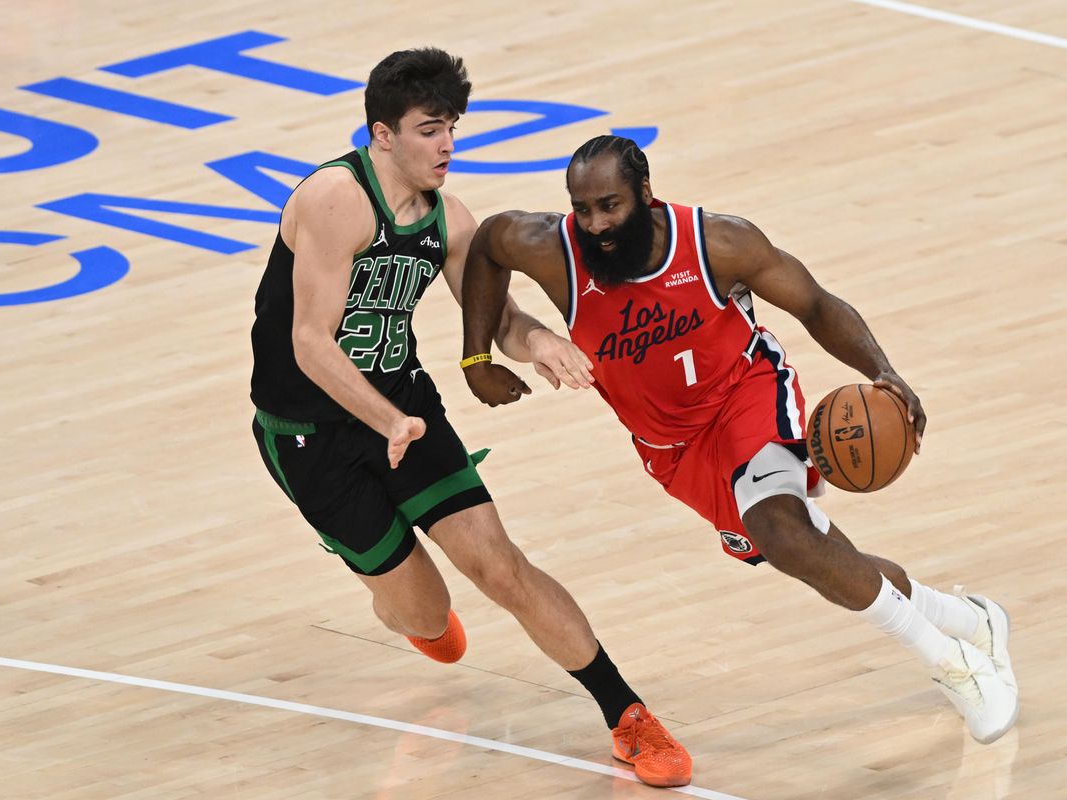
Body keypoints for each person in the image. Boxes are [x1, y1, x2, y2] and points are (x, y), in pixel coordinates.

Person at [460, 134, 1020, 747]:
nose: (595, 224)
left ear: (646, 194)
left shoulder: (717, 243)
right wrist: (475, 356)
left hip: (744, 394)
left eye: (611, 206)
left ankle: (954, 665)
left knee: (780, 530)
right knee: (806, 550)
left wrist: (883, 373)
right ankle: (971, 620)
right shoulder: (552, 248)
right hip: (671, 449)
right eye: (582, 208)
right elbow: (488, 243)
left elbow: (815, 304)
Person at [249, 54, 690, 788]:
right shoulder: (336, 198)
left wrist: (539, 340)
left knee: (501, 565)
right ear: (382, 135)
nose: (447, 144)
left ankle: (627, 714)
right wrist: (386, 420)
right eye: (429, 130)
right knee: (430, 618)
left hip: (405, 410)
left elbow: (494, 315)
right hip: (309, 434)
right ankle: (401, 599)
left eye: (451, 127)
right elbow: (309, 342)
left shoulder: (449, 219)